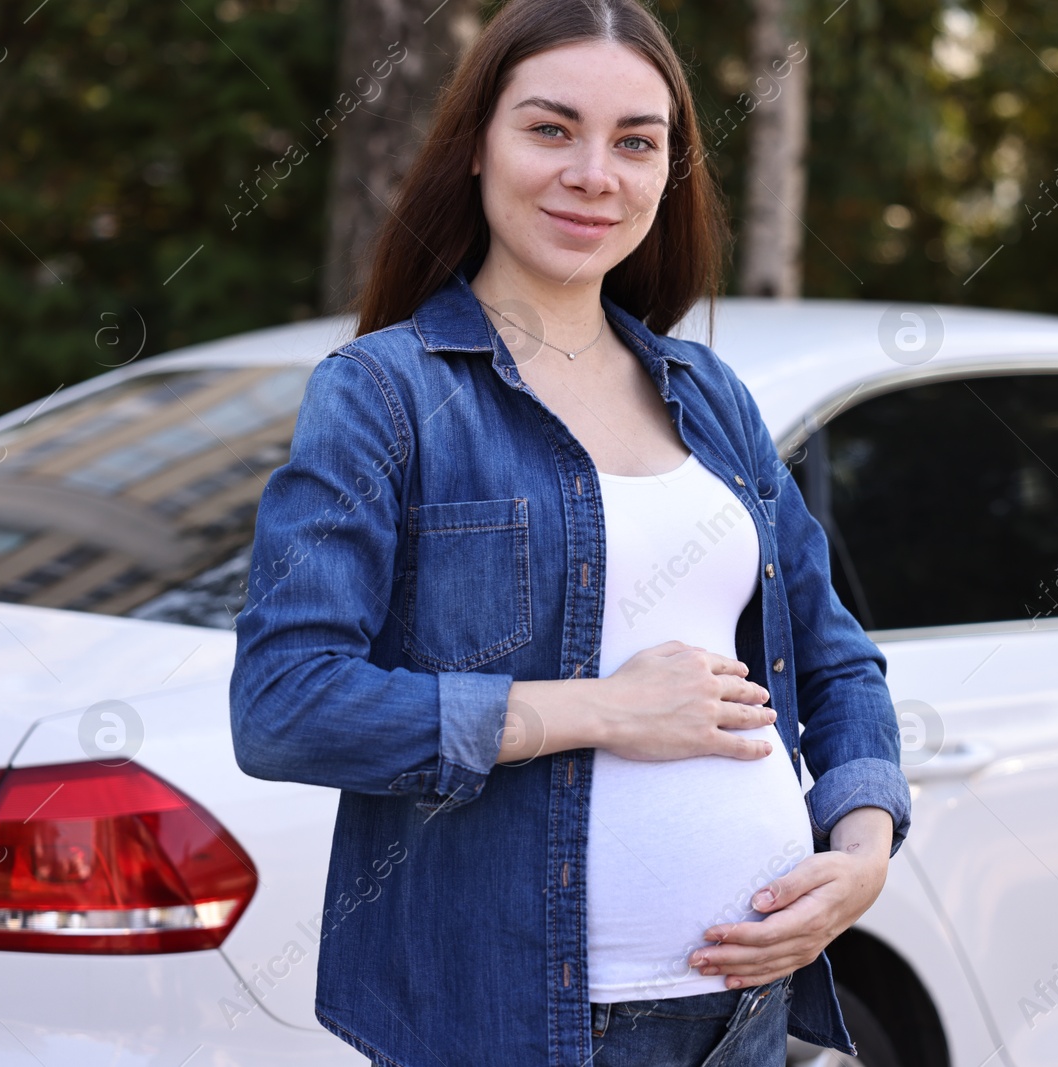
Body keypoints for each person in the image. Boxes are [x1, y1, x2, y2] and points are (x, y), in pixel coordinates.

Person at [228, 0, 911, 1064]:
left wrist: (862, 847)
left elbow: (834, 655)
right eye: (550, 128)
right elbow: (286, 705)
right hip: (527, 1029)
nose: (596, 173)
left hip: (750, 1012)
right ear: (475, 149)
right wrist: (601, 710)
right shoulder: (384, 396)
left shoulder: (706, 393)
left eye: (637, 142)